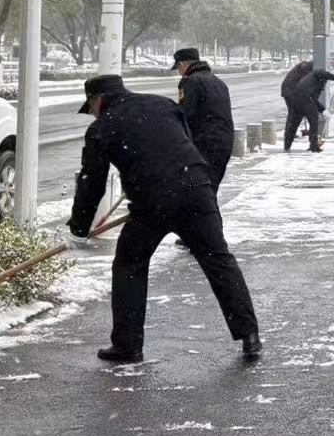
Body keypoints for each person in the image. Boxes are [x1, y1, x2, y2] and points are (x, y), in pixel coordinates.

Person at [67, 75, 261, 362]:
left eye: (91, 108)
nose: (93, 114)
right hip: (197, 190)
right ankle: (250, 335)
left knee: (129, 264)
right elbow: (183, 141)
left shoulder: (102, 127)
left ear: (98, 101)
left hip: (152, 203)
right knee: (219, 260)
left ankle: (128, 345)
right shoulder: (163, 104)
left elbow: (91, 182)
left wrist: (79, 228)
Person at [173, 47, 234, 191]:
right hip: (224, 142)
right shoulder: (218, 81)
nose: (179, 72)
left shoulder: (190, 81)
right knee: (210, 190)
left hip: (204, 144)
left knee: (199, 192)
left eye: (178, 68)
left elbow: (185, 115)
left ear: (182, 64)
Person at [283, 63, 334, 152]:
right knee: (313, 122)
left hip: (296, 99)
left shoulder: (309, 79)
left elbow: (313, 99)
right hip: (306, 99)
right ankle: (313, 147)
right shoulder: (316, 73)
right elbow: (320, 72)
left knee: (293, 123)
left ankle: (287, 145)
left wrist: (323, 110)